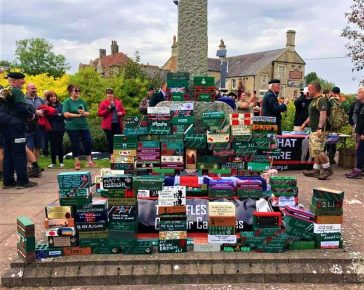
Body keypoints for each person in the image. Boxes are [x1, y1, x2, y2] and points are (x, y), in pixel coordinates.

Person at [1, 72, 37, 189]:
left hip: (5, 126)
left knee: (8, 154)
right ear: (14, 81)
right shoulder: (16, 91)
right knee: (19, 153)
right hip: (16, 126)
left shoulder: (4, 92)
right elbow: (21, 108)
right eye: (21, 79)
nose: (23, 82)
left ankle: (8, 181)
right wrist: (31, 115)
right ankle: (22, 181)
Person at [300, 81, 333, 180]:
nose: (308, 92)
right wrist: (305, 123)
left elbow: (323, 114)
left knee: (318, 150)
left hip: (320, 130)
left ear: (314, 90)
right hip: (314, 129)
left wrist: (319, 128)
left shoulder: (321, 100)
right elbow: (312, 115)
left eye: (309, 89)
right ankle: (316, 170)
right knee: (316, 151)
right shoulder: (314, 100)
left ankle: (327, 169)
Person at [62, 84, 96, 170]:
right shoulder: (67, 101)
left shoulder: (82, 101)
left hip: (84, 125)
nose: (78, 92)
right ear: (70, 92)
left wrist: (84, 113)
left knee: (88, 142)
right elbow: (65, 114)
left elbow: (88, 113)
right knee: (75, 144)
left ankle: (89, 161)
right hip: (72, 127)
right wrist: (77, 115)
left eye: (79, 90)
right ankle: (77, 162)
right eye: (75, 91)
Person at [97, 88, 126, 155]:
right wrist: (107, 110)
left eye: (111, 95)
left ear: (113, 95)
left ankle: (119, 154)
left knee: (119, 139)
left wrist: (121, 113)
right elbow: (99, 114)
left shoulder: (118, 102)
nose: (110, 96)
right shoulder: (103, 103)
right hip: (108, 125)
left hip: (117, 124)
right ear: (106, 95)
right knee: (110, 140)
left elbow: (124, 112)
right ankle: (111, 155)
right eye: (108, 95)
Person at [345, 87, 364, 178]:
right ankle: (360, 169)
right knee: (360, 150)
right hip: (359, 131)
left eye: (360, 93)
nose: (358, 95)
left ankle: (358, 169)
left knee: (360, 150)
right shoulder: (360, 105)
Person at [25, 83, 46, 164]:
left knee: (38, 146)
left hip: (40, 125)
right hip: (28, 126)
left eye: (35, 88)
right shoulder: (23, 99)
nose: (34, 90)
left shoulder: (41, 99)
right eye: (32, 88)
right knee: (29, 146)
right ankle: (29, 165)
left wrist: (42, 111)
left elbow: (45, 108)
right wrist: (34, 111)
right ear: (27, 89)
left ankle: (36, 166)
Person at [44, 91, 65, 168]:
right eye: (51, 97)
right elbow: (47, 116)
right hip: (50, 128)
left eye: (54, 96)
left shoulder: (61, 105)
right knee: (52, 145)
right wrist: (57, 115)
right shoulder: (46, 106)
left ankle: (61, 161)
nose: (53, 98)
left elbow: (63, 115)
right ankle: (53, 162)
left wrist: (56, 115)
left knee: (59, 145)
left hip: (60, 128)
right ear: (48, 98)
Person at [325, 86, 341, 164]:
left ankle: (327, 159)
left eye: (331, 92)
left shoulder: (330, 101)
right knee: (334, 141)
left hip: (329, 123)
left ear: (334, 93)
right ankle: (332, 158)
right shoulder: (340, 102)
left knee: (328, 141)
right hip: (337, 124)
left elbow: (326, 112)